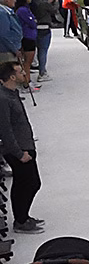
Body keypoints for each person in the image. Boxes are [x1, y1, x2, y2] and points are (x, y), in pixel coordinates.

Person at [0, 63, 41, 233]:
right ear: (11, 76)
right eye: (20, 71)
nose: (24, 73)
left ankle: (23, 216)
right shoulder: (3, 99)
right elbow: (5, 130)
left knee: (28, 182)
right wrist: (18, 153)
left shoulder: (12, 93)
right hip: (18, 149)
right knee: (29, 183)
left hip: (25, 144)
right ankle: (21, 220)